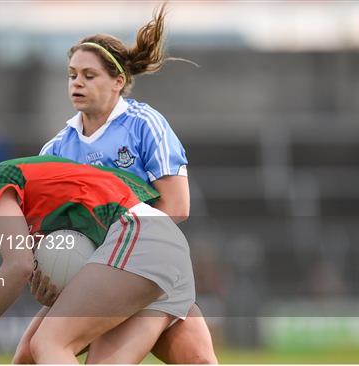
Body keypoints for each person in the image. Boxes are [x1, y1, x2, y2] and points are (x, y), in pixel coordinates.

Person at [16, 4, 217, 364]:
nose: (76, 82)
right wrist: (47, 267)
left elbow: (177, 207)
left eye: (89, 75)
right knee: (28, 357)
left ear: (118, 81)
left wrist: (111, 266)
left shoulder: (144, 125)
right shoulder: (57, 149)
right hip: (97, 278)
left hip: (146, 269)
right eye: (71, 74)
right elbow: (44, 231)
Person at [0, 155, 196, 363]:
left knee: (49, 343)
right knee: (30, 354)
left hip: (141, 236)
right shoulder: (27, 214)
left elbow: (18, 266)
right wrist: (55, 292)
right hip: (158, 252)